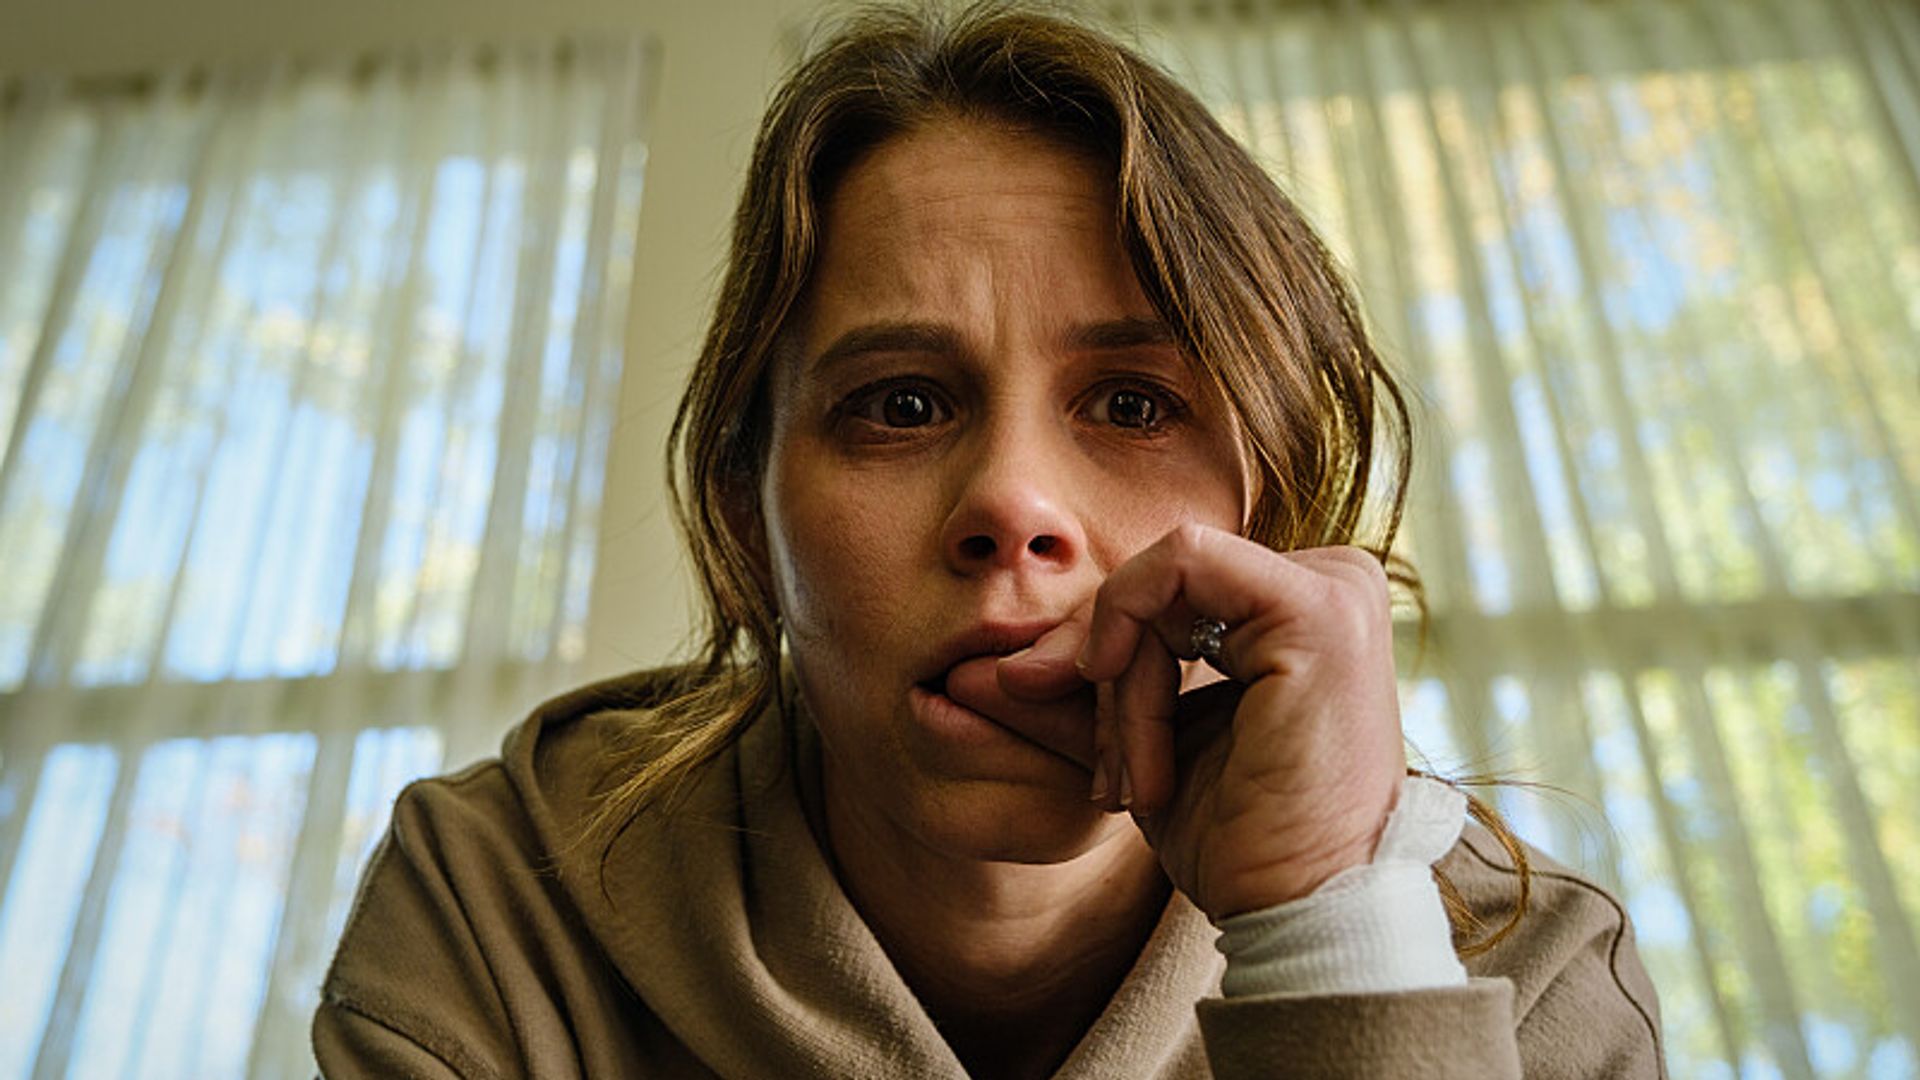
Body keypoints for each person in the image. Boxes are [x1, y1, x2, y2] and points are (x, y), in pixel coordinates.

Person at [313, 5, 1665, 1077]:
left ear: (1280, 507)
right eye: (901, 406)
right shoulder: (499, 909)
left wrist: (1332, 939)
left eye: (1135, 405)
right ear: (746, 509)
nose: (1012, 503)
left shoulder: (1521, 972)